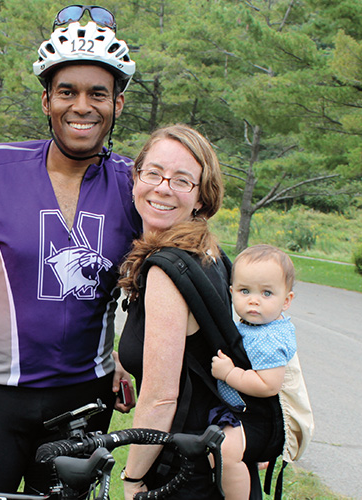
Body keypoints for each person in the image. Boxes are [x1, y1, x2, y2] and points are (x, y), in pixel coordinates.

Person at [0, 6, 140, 493]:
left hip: (84, 398)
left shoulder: (134, 182)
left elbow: (151, 281)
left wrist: (129, 355)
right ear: (47, 101)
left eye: (97, 94)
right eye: (67, 92)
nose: (81, 106)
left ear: (117, 104)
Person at [117, 124, 267, 500]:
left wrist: (134, 477)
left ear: (201, 197)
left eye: (182, 181)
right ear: (136, 177)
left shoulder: (168, 271)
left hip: (186, 472)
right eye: (153, 173)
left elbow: (161, 397)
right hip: (218, 453)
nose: (162, 187)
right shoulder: (210, 255)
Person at [209, 244, 296, 500]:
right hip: (244, 412)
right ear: (231, 292)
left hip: (260, 417)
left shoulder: (270, 336)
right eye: (245, 291)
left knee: (224, 453)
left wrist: (229, 374)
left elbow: (268, 385)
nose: (254, 300)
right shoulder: (253, 325)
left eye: (267, 293)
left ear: (287, 300)